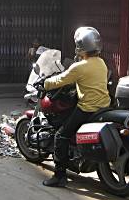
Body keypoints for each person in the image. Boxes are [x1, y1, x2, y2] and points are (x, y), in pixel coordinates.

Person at [42, 27, 111, 187]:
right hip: (104, 106)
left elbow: (60, 80)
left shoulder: (79, 67)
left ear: (80, 47)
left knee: (61, 135)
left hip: (87, 109)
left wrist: (45, 83)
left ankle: (59, 176)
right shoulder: (101, 62)